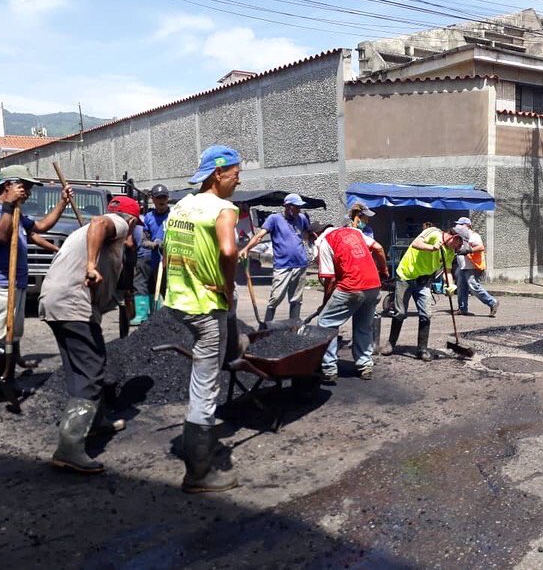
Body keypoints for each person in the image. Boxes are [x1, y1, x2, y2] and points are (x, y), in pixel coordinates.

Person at [39, 196, 142, 472]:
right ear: (131, 220)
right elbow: (99, 222)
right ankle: (69, 448)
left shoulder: (89, 235)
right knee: (92, 370)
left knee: (79, 366)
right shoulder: (117, 223)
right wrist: (92, 266)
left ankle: (94, 423)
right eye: (135, 225)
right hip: (73, 305)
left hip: (56, 302)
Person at [164, 144, 241, 494]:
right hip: (206, 305)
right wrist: (226, 287)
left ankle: (196, 450)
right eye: (235, 175)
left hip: (179, 301)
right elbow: (228, 250)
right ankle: (199, 473)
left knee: (201, 374)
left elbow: (168, 252)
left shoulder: (181, 206)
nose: (238, 182)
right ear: (218, 174)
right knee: (206, 385)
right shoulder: (224, 209)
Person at [0, 165, 72, 416]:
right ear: (8, 185)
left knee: (7, 336)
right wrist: (8, 204)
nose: (27, 191)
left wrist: (62, 203)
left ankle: (1, 385)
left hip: (15, 282)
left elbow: (39, 227)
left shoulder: (18, 210)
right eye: (24, 186)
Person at [381, 225, 468, 362]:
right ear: (455, 237)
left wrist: (450, 284)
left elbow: (448, 271)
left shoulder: (450, 251)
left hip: (423, 282)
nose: (460, 247)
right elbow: (416, 243)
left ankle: (422, 349)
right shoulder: (433, 233)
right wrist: (432, 247)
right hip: (406, 276)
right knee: (400, 313)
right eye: (460, 243)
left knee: (426, 314)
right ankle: (391, 344)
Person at [314, 222, 388, 380]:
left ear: (315, 235)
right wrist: (383, 270)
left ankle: (329, 369)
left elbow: (330, 279)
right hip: (373, 285)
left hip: (352, 286)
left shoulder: (325, 241)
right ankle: (365, 365)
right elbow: (379, 248)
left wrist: (325, 303)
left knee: (325, 322)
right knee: (363, 326)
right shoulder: (354, 232)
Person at [240, 194, 310, 322]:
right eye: (296, 207)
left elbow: (306, 234)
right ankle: (266, 327)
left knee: (296, 299)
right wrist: (246, 248)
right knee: (275, 298)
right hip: (283, 265)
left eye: (300, 207)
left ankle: (293, 328)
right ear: (288, 207)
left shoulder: (302, 218)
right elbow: (259, 236)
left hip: (300, 264)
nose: (299, 210)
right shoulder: (274, 219)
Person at [131, 184, 170, 325]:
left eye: (164, 197)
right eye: (158, 197)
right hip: (154, 259)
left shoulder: (174, 215)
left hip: (171, 260)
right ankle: (147, 316)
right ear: (153, 199)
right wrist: (154, 244)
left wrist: (168, 244)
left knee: (169, 289)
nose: (161, 200)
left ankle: (169, 317)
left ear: (168, 198)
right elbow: (144, 240)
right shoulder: (148, 217)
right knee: (150, 286)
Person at [453, 217, 499, 317]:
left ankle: (492, 302)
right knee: (461, 288)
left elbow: (481, 247)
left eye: (461, 224)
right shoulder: (459, 236)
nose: (459, 226)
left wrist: (468, 251)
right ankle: (462, 308)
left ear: (468, 226)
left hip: (472, 266)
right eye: (458, 224)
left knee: (473, 286)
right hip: (462, 266)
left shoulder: (473, 236)